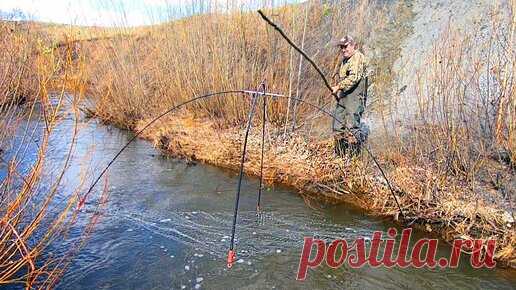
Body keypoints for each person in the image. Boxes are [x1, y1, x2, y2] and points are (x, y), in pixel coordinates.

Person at [331, 35, 369, 157]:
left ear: (353, 45)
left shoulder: (357, 58)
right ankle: (340, 155)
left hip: (355, 96)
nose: (343, 49)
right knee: (338, 124)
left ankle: (354, 158)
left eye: (345, 46)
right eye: (341, 47)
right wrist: (339, 88)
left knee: (353, 127)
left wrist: (338, 86)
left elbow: (354, 78)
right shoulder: (346, 60)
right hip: (345, 95)